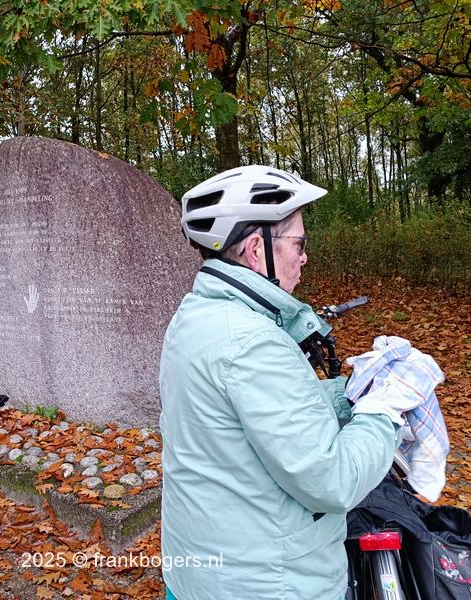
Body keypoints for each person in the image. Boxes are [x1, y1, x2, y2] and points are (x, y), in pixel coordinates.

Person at [159, 166, 405, 600]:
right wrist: (384, 410)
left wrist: (348, 395)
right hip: (266, 582)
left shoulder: (195, 316)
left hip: (199, 568)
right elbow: (334, 481)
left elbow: (242, 420)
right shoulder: (254, 342)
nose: (305, 256)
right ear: (257, 250)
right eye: (299, 243)